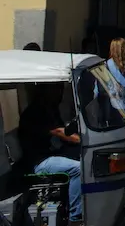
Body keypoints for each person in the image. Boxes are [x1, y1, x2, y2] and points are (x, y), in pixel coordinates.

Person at [18, 84, 82, 223]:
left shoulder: (50, 109)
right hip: (38, 162)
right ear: (45, 90)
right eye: (56, 89)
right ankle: (76, 218)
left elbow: (65, 130)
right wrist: (82, 140)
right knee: (79, 168)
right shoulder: (36, 112)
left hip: (48, 154)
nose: (60, 93)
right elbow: (60, 132)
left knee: (81, 155)